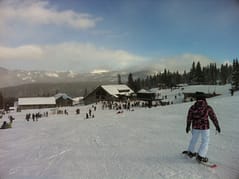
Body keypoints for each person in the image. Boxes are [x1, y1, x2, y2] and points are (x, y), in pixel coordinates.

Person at [183, 92, 221, 163]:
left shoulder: (192, 107)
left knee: (194, 139)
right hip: (205, 127)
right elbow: (213, 117)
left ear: (197, 99)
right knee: (205, 141)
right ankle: (201, 156)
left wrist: (188, 126)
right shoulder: (207, 107)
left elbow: (189, 117)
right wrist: (217, 125)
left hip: (195, 126)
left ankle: (190, 152)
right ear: (204, 99)